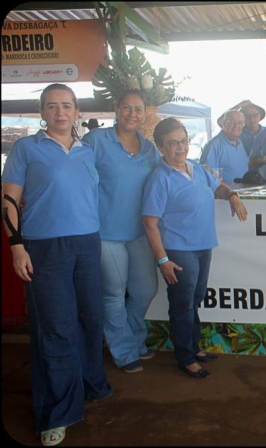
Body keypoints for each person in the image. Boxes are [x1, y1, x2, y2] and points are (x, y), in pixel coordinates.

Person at [2, 83, 112, 446]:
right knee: (56, 328)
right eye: (52, 106)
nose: (60, 112)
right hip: (45, 248)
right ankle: (56, 413)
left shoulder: (86, 151)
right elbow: (9, 201)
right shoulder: (26, 148)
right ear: (42, 112)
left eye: (66, 105)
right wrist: (17, 247)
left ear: (77, 112)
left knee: (89, 319)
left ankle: (90, 385)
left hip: (87, 243)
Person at [142, 117, 248, 379]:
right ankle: (185, 357)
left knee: (195, 300)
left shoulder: (196, 168)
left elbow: (218, 187)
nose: (180, 147)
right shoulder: (160, 178)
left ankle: (193, 346)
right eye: (173, 143)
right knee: (182, 304)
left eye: (184, 140)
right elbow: (149, 223)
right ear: (161, 147)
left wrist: (232, 196)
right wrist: (162, 260)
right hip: (179, 250)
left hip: (203, 246)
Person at [82, 90, 161, 374]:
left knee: (145, 290)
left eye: (138, 109)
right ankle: (125, 351)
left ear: (145, 114)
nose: (132, 114)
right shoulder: (96, 141)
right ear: (116, 109)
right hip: (106, 234)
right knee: (114, 294)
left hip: (139, 233)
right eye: (126, 107)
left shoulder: (150, 148)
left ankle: (133, 340)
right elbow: (78, 180)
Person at [201, 109, 248, 182]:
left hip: (243, 191)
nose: (236, 125)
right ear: (223, 123)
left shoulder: (239, 143)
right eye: (231, 122)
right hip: (225, 192)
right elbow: (206, 174)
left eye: (240, 123)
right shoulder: (214, 145)